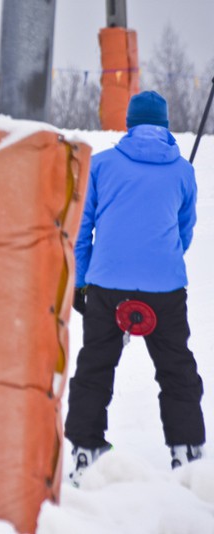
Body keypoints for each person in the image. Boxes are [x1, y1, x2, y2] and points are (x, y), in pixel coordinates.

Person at [66, 90, 205, 484]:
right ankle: (187, 452)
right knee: (177, 368)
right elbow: (184, 231)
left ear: (128, 124)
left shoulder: (102, 165)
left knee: (95, 366)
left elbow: (82, 229)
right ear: (164, 125)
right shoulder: (182, 170)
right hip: (166, 288)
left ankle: (85, 449)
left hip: (107, 285)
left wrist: (82, 282)